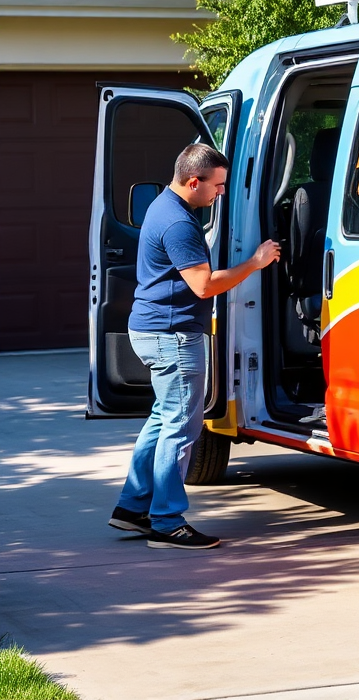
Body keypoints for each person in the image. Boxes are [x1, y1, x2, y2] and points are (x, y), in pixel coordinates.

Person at [108, 143, 280, 549]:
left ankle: (132, 509)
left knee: (161, 420)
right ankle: (166, 522)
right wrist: (255, 262)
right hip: (173, 336)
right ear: (193, 181)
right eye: (217, 186)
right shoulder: (179, 224)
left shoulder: (163, 205)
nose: (220, 193)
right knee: (182, 427)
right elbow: (203, 286)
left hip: (154, 330)